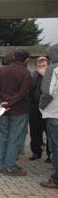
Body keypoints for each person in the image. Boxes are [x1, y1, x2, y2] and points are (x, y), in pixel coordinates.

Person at [0, 49, 31, 176]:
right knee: (15, 138)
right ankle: (10, 166)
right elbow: (22, 93)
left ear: (14, 57)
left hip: (1, 110)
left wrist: (1, 103)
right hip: (18, 110)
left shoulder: (0, 70)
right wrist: (9, 103)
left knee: (2, 136)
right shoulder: (26, 73)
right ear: (26, 60)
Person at [39, 43, 58, 189]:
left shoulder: (53, 69)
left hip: (54, 113)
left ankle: (56, 179)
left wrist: (41, 106)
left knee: (55, 147)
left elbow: (47, 92)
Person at [28, 56, 50, 161]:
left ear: (48, 66)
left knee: (49, 132)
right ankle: (36, 151)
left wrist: (45, 76)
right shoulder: (33, 75)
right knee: (35, 131)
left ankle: (51, 154)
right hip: (34, 107)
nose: (41, 68)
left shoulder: (52, 75)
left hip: (48, 108)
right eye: (39, 66)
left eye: (44, 66)